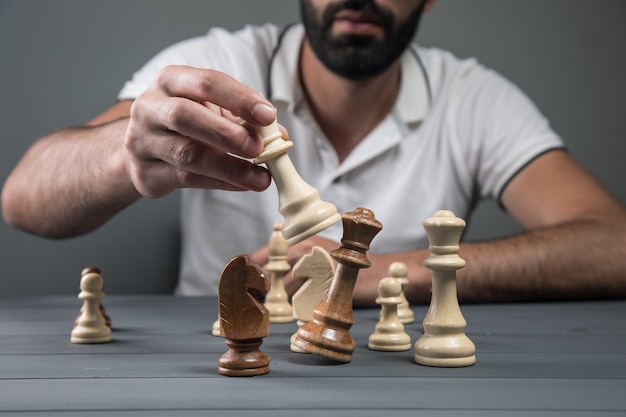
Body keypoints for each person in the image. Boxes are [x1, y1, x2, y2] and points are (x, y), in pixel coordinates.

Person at [2, 0, 626, 307]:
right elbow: (22, 199)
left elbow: (613, 244)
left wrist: (377, 271)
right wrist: (124, 155)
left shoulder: (474, 98)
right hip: (217, 351)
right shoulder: (219, 65)